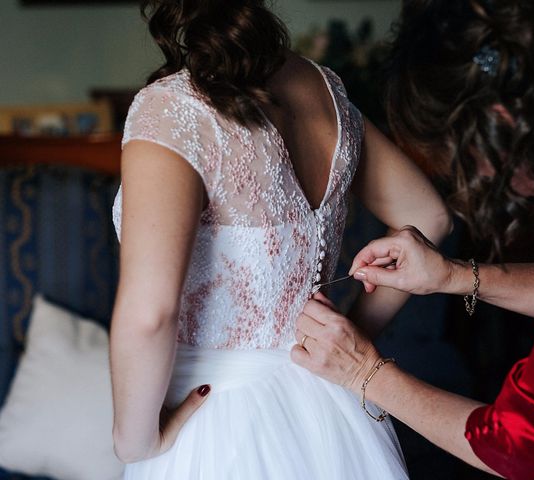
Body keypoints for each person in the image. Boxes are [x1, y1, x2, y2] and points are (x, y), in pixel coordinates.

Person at [291, 1, 534, 478]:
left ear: (501, 123)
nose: (468, 177)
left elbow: (514, 447)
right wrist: (452, 276)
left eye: (460, 157)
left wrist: (363, 372)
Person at [108, 0, 451, 478]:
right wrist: (353, 335)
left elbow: (150, 314)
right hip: (329, 407)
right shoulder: (321, 86)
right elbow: (428, 216)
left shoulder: (172, 108)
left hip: (216, 426)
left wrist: (133, 440)